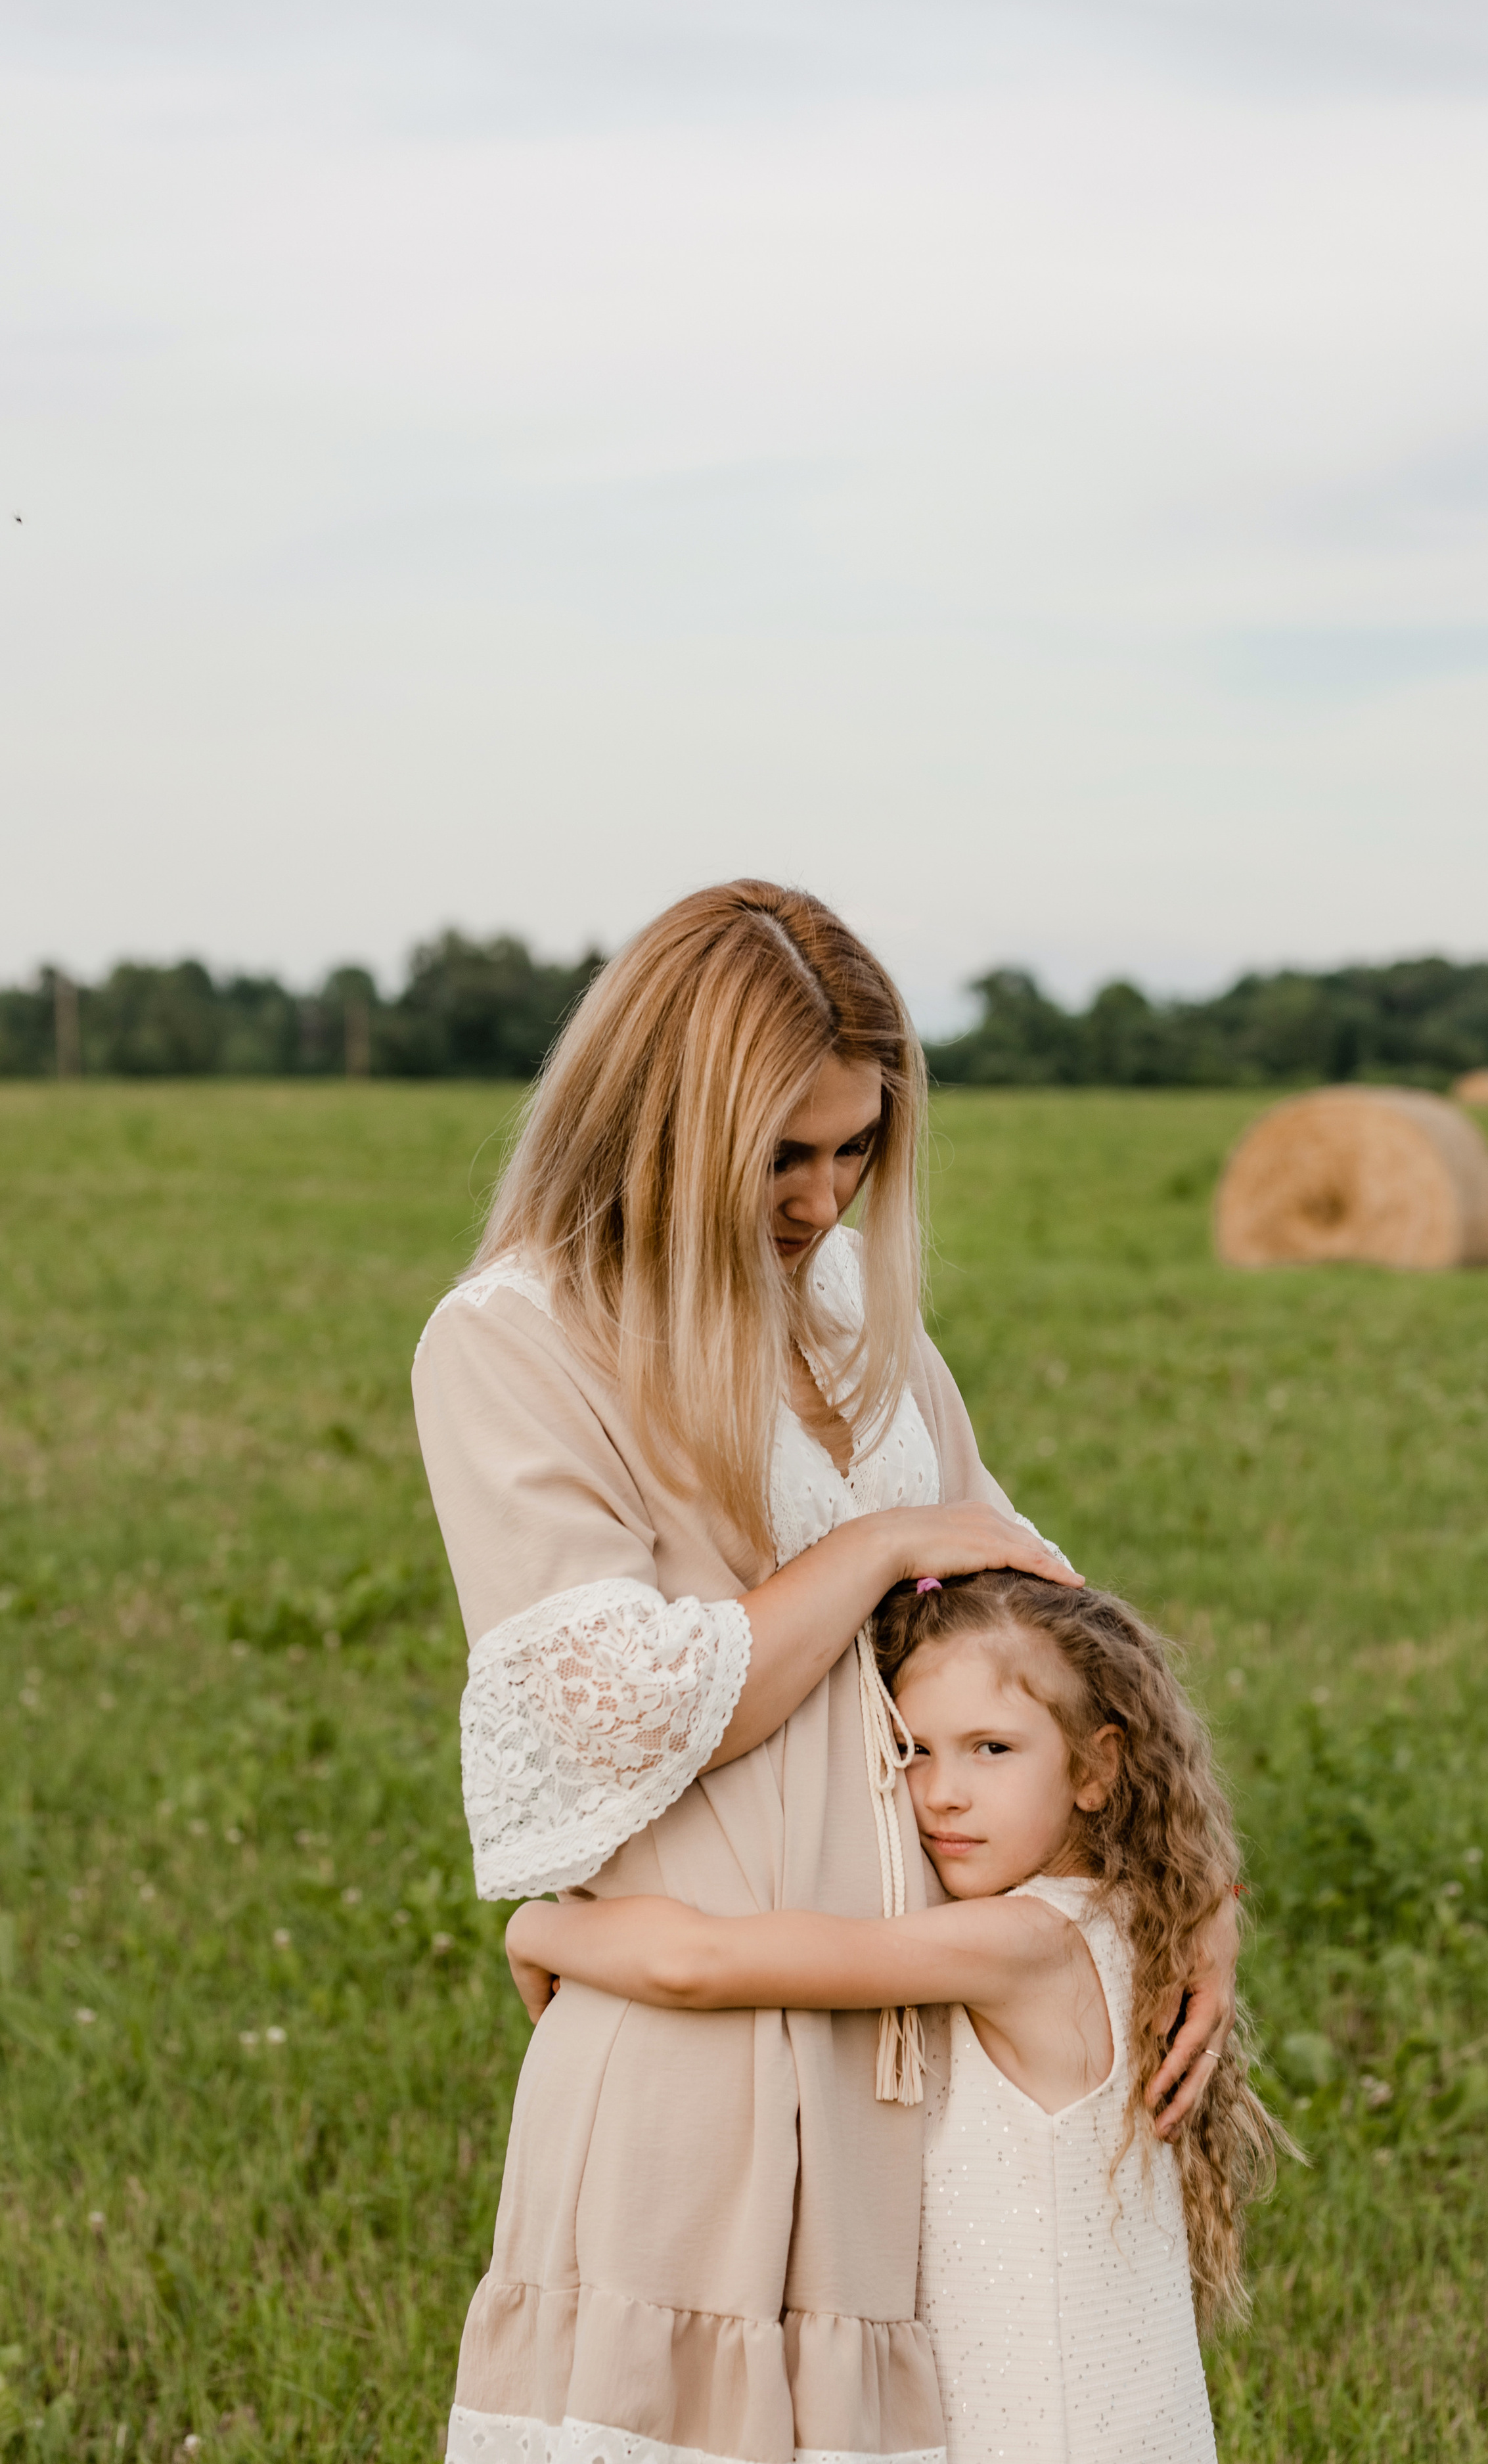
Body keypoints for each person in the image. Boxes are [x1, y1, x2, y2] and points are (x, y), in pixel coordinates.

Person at [413, 881, 1240, 2464]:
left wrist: (1188, 1879)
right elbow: (622, 1706)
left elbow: (1037, 1629)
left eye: (854, 1149)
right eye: (780, 1156)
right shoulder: (516, 1341)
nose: (821, 1199)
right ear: (659, 1122)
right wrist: (867, 1551)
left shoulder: (850, 1301)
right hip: (710, 2009)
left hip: (908, 2021)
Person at [504, 1570, 1284, 2464]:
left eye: (992, 1749)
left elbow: (700, 1964)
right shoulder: (1130, 1912)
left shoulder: (1025, 1943)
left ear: (1098, 1769)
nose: (944, 1791)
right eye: (914, 1750)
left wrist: (541, 1927)